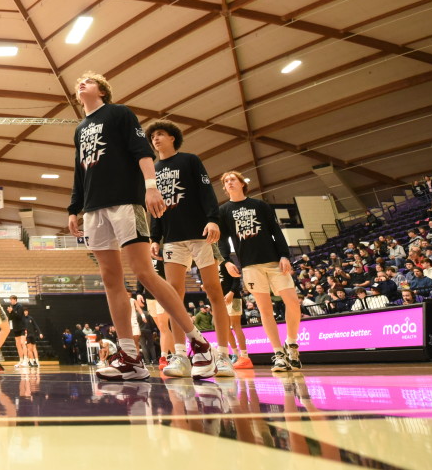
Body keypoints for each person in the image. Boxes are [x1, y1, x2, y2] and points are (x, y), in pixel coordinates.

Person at [66, 73, 215, 380]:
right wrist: (73, 207)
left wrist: (151, 186)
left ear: (102, 90)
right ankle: (130, 357)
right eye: (79, 81)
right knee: (110, 279)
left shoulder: (119, 113)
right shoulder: (80, 129)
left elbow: (142, 152)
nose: (81, 83)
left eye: (89, 81)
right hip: (94, 209)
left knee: (145, 273)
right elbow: (80, 173)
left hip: (124, 202)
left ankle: (199, 343)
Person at [146, 118, 235, 377]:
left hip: (200, 234)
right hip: (173, 238)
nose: (156, 139)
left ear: (173, 137)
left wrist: (212, 219)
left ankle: (222, 356)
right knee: (174, 296)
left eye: (160, 134)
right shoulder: (152, 169)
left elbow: (206, 193)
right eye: (153, 137)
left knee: (213, 291)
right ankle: (181, 356)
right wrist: (155, 237)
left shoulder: (190, 160)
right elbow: (154, 207)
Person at [218, 171, 303, 372]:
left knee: (292, 302)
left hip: (274, 262)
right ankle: (278, 354)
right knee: (265, 311)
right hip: (249, 266)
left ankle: (291, 345)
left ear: (241, 183)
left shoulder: (260, 205)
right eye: (226, 181)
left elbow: (276, 230)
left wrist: (284, 255)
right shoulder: (223, 210)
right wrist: (225, 261)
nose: (229, 182)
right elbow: (222, 239)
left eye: (232, 179)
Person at [219, 261, 251, 367]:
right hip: (220, 299)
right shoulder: (211, 263)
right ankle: (235, 355)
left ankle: (245, 356)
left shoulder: (228, 262)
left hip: (233, 297)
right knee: (225, 328)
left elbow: (237, 279)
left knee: (236, 325)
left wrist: (232, 292)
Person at [6, 294, 28, 368]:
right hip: (15, 327)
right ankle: (21, 360)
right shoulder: (11, 307)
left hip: (22, 327)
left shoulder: (20, 306)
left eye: (12, 300)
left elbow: (19, 316)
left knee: (22, 343)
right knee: (17, 344)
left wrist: (12, 311)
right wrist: (10, 312)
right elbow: (11, 318)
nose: (11, 301)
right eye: (10, 300)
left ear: (15, 300)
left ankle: (26, 359)